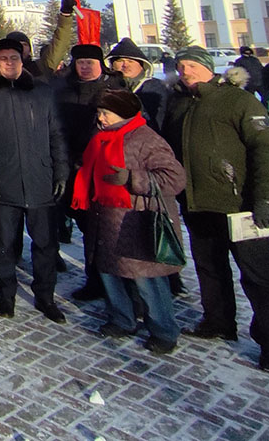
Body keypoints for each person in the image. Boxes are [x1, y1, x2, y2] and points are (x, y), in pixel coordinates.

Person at [162, 46, 269, 373]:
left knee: (259, 277)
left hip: (241, 206)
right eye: (180, 65)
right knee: (209, 267)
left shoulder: (238, 100)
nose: (185, 70)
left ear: (208, 67)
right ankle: (218, 321)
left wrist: (265, 199)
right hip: (197, 203)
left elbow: (265, 150)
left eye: (191, 65)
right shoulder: (178, 102)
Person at [73, 89, 185, 355]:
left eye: (106, 113)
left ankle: (164, 331)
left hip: (137, 219)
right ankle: (122, 320)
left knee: (146, 281)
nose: (101, 118)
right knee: (110, 274)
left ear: (123, 113)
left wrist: (134, 179)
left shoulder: (146, 139)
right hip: (105, 218)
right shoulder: (101, 138)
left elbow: (175, 179)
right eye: (99, 113)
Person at [0, 38, 69, 322]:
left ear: (22, 59)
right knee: (4, 244)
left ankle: (45, 296)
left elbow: (57, 135)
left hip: (41, 179)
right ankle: (6, 295)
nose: (9, 63)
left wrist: (61, 171)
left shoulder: (41, 91)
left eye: (14, 57)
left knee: (45, 244)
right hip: (4, 181)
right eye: (3, 58)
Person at [52, 44, 126, 300]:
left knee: (109, 231)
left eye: (90, 63)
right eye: (80, 62)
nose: (84, 67)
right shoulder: (63, 89)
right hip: (73, 169)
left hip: (105, 171)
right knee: (89, 230)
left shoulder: (113, 89)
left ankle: (120, 285)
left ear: (100, 65)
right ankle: (95, 282)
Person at [107, 38, 169, 130]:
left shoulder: (156, 88)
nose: (125, 65)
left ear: (141, 65)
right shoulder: (106, 88)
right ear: (112, 65)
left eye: (130, 61)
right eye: (120, 61)